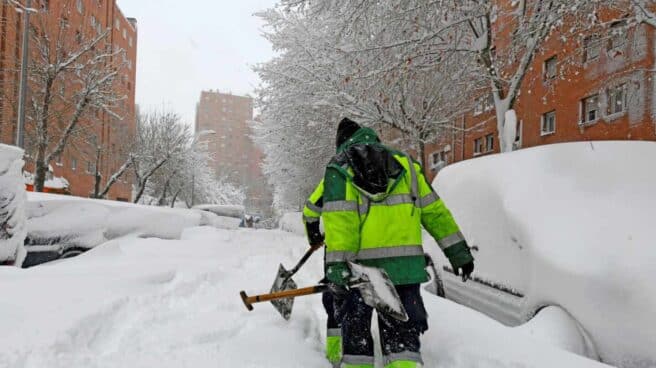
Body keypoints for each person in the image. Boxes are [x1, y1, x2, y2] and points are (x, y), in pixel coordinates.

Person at [322, 118, 474, 368]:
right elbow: (435, 212)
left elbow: (341, 224)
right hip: (405, 272)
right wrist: (458, 252)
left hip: (360, 275)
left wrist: (337, 270)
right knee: (403, 344)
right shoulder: (407, 166)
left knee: (357, 343)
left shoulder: (339, 169)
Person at [302, 180, 343, 367]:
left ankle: (335, 357)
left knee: (335, 301)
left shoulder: (334, 176)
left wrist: (314, 237)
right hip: (372, 251)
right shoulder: (385, 166)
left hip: (337, 251)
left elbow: (310, 211)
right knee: (359, 305)